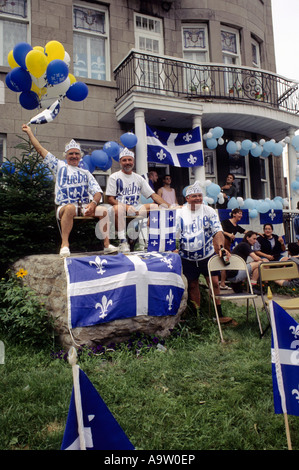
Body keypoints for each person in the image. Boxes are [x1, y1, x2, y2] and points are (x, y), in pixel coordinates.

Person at [22, 124, 115, 258]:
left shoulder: (85, 172)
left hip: (83, 207)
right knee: (70, 208)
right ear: (66, 156)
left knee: (104, 210)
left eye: (76, 153)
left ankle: (107, 245)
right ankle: (64, 245)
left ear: (80, 156)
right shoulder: (59, 166)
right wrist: (30, 133)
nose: (74, 156)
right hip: (64, 207)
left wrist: (93, 204)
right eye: (71, 153)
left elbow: (98, 192)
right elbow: (41, 150)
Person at [175, 181, 233, 324]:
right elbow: (175, 234)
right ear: (187, 198)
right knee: (193, 285)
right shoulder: (179, 213)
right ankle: (197, 316)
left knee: (214, 282)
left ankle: (219, 314)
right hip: (187, 256)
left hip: (206, 254)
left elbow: (217, 231)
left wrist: (220, 247)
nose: (198, 198)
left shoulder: (209, 211)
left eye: (200, 195)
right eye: (194, 196)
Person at [106, 147, 171, 253]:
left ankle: (149, 240)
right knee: (118, 208)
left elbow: (153, 195)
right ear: (120, 162)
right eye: (124, 160)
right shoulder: (114, 177)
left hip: (135, 206)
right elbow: (110, 199)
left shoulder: (138, 178)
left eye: (129, 160)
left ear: (133, 161)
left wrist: (169, 206)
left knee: (155, 206)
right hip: (119, 207)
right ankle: (123, 241)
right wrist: (126, 207)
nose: (127, 162)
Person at [220, 208, 247, 289]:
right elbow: (220, 231)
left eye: (241, 214)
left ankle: (223, 283)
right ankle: (222, 283)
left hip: (227, 246)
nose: (241, 215)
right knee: (225, 263)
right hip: (222, 246)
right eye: (239, 213)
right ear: (234, 214)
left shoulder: (237, 226)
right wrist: (229, 235)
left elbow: (245, 231)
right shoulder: (225, 222)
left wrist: (257, 233)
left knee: (226, 263)